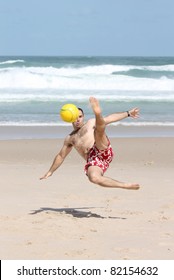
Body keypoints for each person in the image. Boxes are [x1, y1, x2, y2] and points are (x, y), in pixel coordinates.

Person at [40, 97, 140, 190]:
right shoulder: (70, 138)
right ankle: (124, 185)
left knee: (98, 128)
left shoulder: (89, 123)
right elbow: (61, 156)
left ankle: (97, 113)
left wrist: (128, 113)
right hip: (94, 160)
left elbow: (110, 118)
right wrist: (50, 171)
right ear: (70, 118)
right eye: (75, 117)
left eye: (80, 116)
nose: (78, 119)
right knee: (94, 178)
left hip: (101, 147)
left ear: (83, 117)